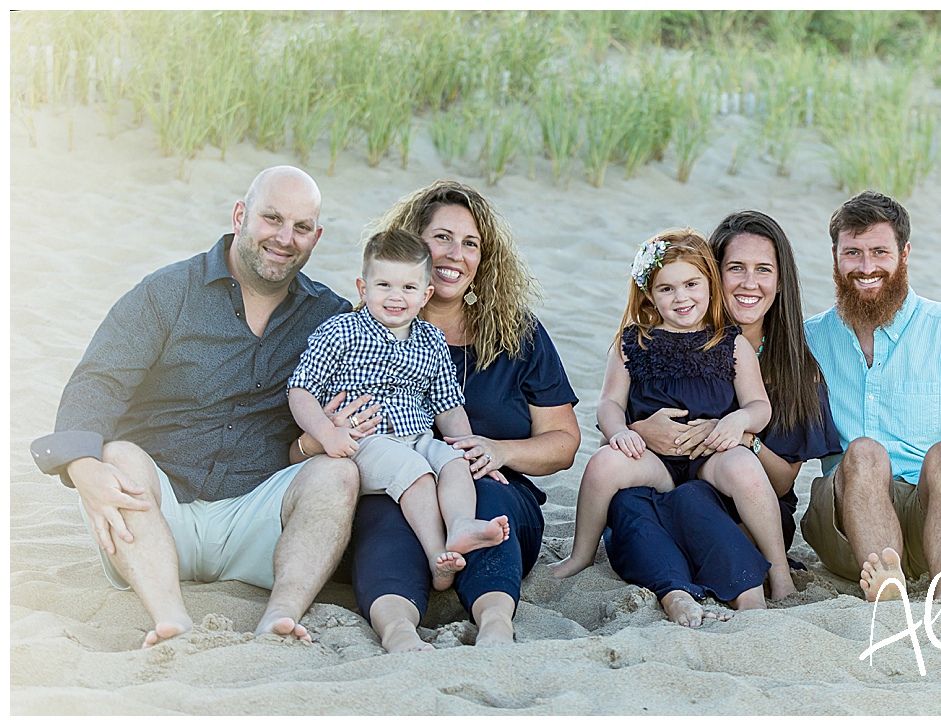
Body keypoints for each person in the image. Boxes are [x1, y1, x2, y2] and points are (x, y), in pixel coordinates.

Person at [29, 166, 376, 648]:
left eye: (300, 228)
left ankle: (279, 619)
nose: (283, 238)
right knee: (118, 456)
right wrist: (82, 466)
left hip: (258, 522)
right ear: (240, 215)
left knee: (338, 476)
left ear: (316, 237)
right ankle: (172, 622)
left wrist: (315, 440)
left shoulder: (330, 317)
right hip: (156, 515)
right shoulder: (167, 292)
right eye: (271, 218)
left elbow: (386, 375)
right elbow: (99, 380)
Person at [298, 180, 581, 652]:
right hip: (386, 484)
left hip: (495, 494)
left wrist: (497, 450)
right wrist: (322, 437)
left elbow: (564, 443)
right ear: (414, 244)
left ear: (483, 258)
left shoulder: (519, 334)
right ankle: (398, 631)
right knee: (384, 513)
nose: (456, 253)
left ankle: (495, 625)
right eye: (442, 237)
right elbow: (300, 440)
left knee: (488, 501)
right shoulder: (356, 330)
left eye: (471, 243)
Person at [604, 211, 842, 625]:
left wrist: (739, 435)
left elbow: (784, 479)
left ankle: (742, 589)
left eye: (763, 270)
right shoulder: (663, 340)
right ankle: (675, 591)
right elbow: (616, 418)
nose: (750, 283)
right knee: (628, 506)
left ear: (780, 280)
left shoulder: (795, 368)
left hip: (744, 508)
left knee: (691, 502)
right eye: (736, 268)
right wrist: (640, 430)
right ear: (713, 274)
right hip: (663, 484)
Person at [550, 229, 797, 603]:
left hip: (709, 455)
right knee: (603, 464)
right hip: (656, 462)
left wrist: (737, 422)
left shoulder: (730, 344)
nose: (681, 297)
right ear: (649, 293)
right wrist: (619, 432)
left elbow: (759, 406)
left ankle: (779, 570)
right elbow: (608, 404)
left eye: (691, 284)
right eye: (667, 289)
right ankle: (581, 554)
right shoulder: (632, 343)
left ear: (710, 285)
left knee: (746, 469)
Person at [800, 190, 941, 605]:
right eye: (853, 253)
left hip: (939, 517)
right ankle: (884, 582)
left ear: (904, 254)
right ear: (835, 256)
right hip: (849, 525)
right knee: (864, 453)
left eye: (880, 252)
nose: (866, 268)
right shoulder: (810, 341)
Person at [287, 228, 509, 592]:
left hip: (417, 436)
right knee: (418, 473)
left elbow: (448, 405)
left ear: (425, 295)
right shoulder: (341, 332)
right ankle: (439, 557)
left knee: (452, 462)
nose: (395, 297)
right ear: (363, 288)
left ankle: (460, 526)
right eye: (384, 285)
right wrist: (326, 433)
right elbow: (300, 389)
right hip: (365, 442)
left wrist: (472, 450)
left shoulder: (430, 340)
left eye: (408, 288)